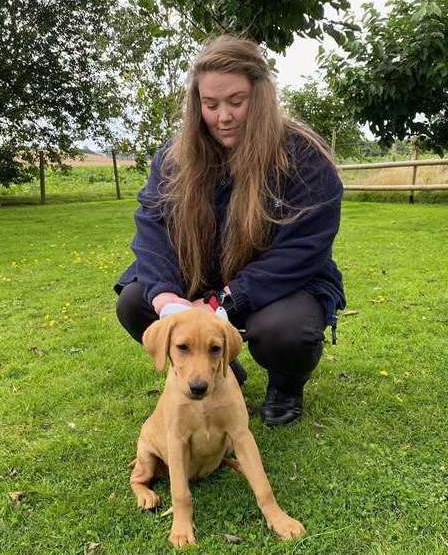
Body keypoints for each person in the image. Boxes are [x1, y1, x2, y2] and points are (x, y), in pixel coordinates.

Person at [115, 35, 345, 426]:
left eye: (237, 102)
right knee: (137, 300)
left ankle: (286, 385)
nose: (224, 116)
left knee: (284, 331)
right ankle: (224, 377)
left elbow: (305, 249)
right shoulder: (173, 159)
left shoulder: (303, 156)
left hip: (277, 285)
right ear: (197, 105)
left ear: (261, 95)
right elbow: (152, 225)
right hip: (199, 275)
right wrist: (168, 299)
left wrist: (226, 300)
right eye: (211, 104)